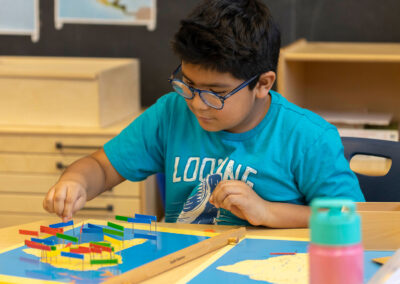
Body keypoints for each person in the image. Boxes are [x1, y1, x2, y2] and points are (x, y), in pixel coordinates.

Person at [43, 0, 365, 228]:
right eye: (188, 84)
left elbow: (354, 217)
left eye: (217, 93)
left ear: (263, 84)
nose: (197, 103)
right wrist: (76, 181)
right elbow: (101, 165)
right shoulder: (171, 114)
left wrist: (267, 212)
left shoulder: (307, 137)